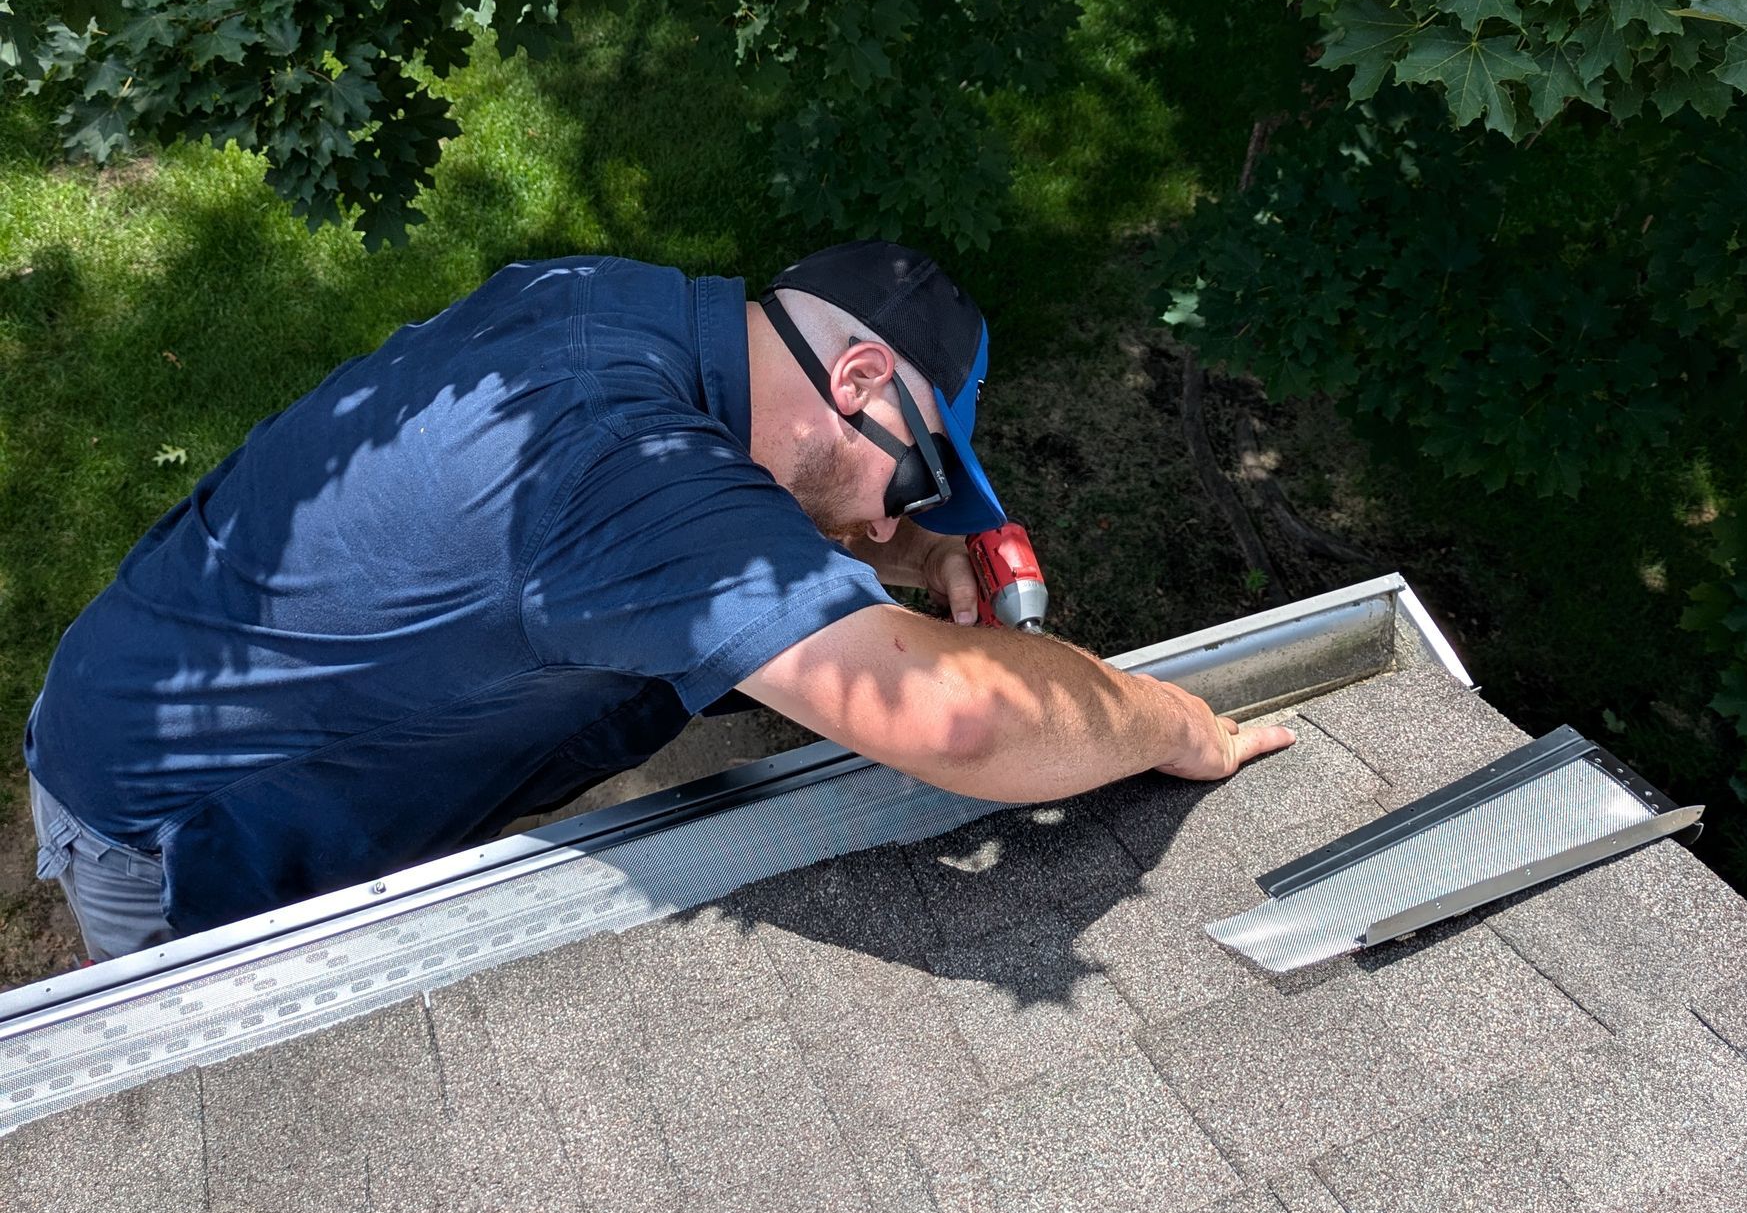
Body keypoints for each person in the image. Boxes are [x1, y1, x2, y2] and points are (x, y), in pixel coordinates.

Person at [25, 240, 1294, 961]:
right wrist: (1176, 724)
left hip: (169, 664)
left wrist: (895, 555)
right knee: (262, 1110)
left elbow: (679, 517)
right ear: (856, 376)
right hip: (176, 822)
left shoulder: (605, 304)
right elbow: (959, 725)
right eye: (912, 476)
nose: (889, 522)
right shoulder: (634, 483)